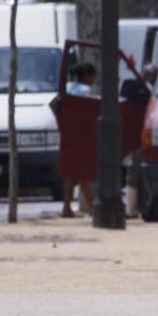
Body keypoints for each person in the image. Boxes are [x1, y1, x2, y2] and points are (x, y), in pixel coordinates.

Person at [61, 63, 97, 217]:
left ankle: (66, 207)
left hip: (68, 134)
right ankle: (93, 208)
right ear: (87, 76)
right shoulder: (86, 91)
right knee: (83, 174)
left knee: (71, 173)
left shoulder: (67, 87)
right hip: (82, 135)